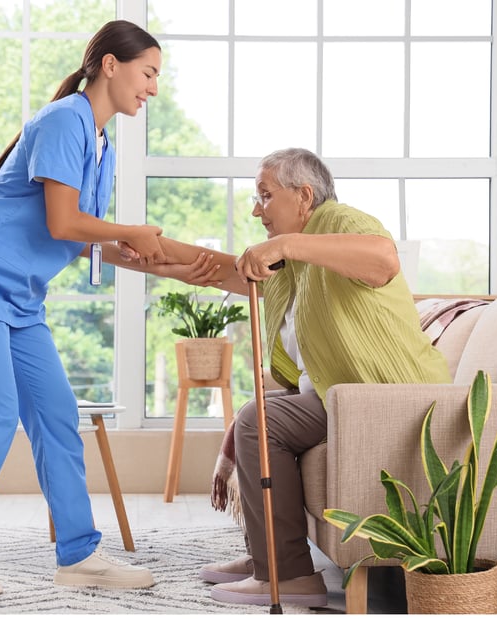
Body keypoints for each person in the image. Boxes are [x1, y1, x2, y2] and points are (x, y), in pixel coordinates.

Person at [0, 20, 183, 597]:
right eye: (148, 73)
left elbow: (83, 237)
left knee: (57, 415)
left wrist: (172, 262)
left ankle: (78, 556)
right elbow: (64, 221)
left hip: (18, 295)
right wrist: (131, 231)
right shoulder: (64, 120)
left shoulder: (103, 145)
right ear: (110, 64)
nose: (154, 88)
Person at [148, 148, 452, 607]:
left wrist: (285, 245)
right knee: (258, 414)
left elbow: (383, 259)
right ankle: (268, 555)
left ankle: (287, 573)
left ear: (305, 196)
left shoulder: (341, 222)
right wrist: (141, 251)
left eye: (265, 195)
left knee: (258, 422)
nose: (257, 210)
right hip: (341, 397)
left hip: (386, 397)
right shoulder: (295, 266)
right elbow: (220, 270)